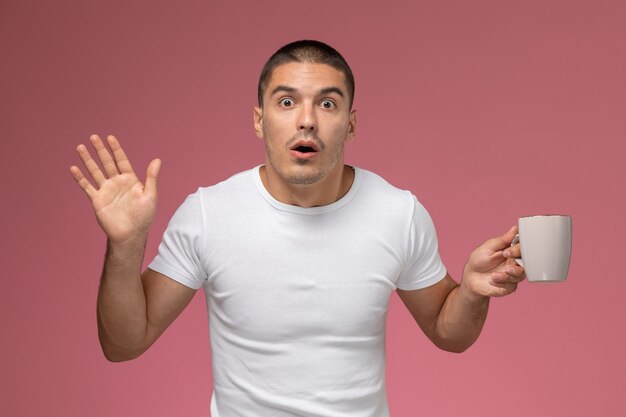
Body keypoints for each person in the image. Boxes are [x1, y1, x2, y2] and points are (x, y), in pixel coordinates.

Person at [70, 40, 525, 416]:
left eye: (327, 103)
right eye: (286, 102)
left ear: (350, 124)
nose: (306, 119)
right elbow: (123, 344)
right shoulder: (209, 213)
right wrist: (126, 245)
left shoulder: (397, 213)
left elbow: (449, 333)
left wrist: (471, 291)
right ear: (259, 119)